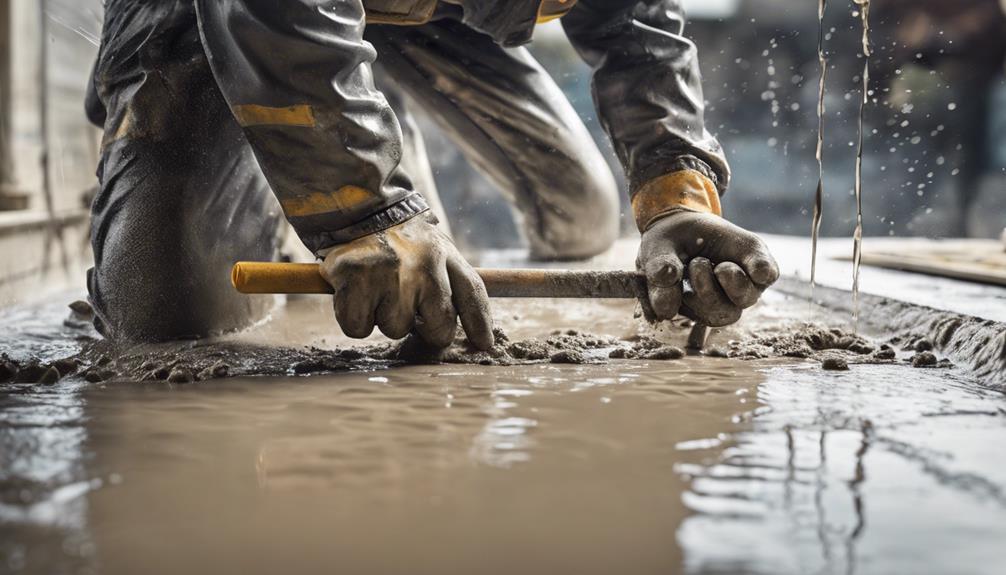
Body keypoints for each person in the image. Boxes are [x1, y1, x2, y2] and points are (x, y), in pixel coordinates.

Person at [84, 0, 779, 348]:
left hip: (425, 15)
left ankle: (356, 106)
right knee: (164, 314)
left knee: (585, 213)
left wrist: (674, 199)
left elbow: (638, 22)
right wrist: (362, 209)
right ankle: (312, 137)